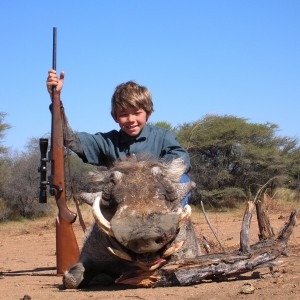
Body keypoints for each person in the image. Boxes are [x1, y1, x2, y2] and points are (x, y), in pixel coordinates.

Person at [46, 70, 191, 205]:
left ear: (148, 113)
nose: (131, 119)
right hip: (122, 205)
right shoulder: (108, 141)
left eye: (136, 112)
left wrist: (151, 173)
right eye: (124, 114)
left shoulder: (162, 136)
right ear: (114, 116)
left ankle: (175, 223)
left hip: (158, 202)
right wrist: (56, 100)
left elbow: (181, 158)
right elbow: (70, 139)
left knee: (182, 178)